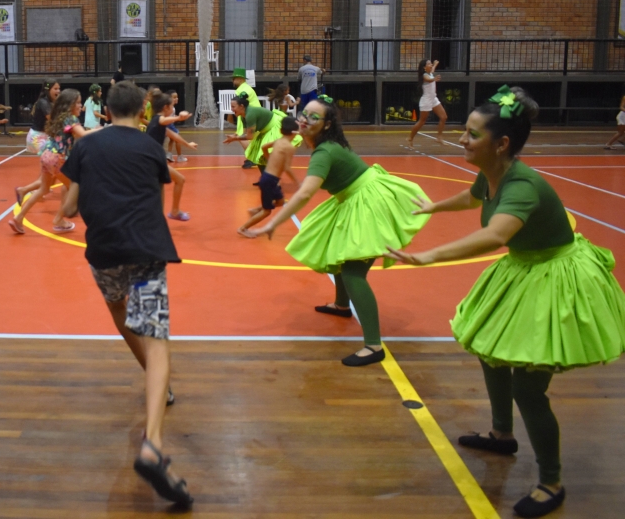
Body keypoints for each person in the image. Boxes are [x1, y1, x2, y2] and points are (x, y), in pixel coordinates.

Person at [386, 86, 625, 519]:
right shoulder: (492, 170)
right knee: (490, 348)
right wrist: (433, 208)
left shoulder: (522, 185)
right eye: (464, 131)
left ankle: (551, 481)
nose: (462, 139)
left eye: (472, 134)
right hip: (524, 266)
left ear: (502, 144)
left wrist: (428, 255)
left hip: (557, 276)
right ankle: (501, 434)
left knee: (528, 388)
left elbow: (495, 235)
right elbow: (474, 196)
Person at [59, 82, 193, 507]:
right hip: (145, 251)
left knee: (116, 307)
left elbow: (68, 208)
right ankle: (152, 443)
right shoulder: (151, 147)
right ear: (142, 110)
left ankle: (158, 385)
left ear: (108, 109)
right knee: (157, 339)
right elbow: (156, 201)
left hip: (104, 252)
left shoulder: (85, 147)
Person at [244, 95, 430, 366]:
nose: (304, 120)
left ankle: (374, 346)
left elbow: (305, 193)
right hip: (353, 197)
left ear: (327, 124)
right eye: (304, 114)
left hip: (368, 202)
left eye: (314, 117)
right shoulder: (325, 146)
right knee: (341, 253)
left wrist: (272, 223)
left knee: (354, 273)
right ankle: (342, 305)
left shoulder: (324, 152)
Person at [10, 89, 99, 235]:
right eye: (77, 102)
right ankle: (59, 220)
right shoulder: (71, 119)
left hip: (47, 156)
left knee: (44, 189)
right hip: (58, 158)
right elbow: (82, 134)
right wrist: (101, 130)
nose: (80, 105)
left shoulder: (59, 117)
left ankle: (18, 218)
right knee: (75, 188)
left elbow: (74, 137)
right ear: (69, 104)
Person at [238, 116, 301, 237]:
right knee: (267, 211)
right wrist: (297, 182)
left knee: (280, 201)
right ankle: (242, 228)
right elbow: (287, 168)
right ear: (294, 133)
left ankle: (255, 210)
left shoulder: (279, 141)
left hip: (269, 178)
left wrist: (269, 158)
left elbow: (264, 147)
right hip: (270, 180)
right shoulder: (289, 147)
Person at [146, 93, 197, 221]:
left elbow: (174, 135)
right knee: (157, 191)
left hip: (156, 161)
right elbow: (163, 120)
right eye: (172, 106)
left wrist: (188, 145)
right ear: (165, 107)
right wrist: (179, 118)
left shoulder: (160, 124)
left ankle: (174, 211)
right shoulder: (158, 119)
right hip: (151, 162)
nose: (173, 108)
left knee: (179, 180)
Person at [223, 93, 287, 172]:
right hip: (265, 131)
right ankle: (265, 176)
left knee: (265, 153)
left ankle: (272, 176)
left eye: (233, 107)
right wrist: (235, 136)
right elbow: (245, 134)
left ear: (241, 106)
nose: (231, 109)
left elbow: (250, 137)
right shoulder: (243, 116)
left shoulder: (250, 115)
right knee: (258, 155)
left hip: (275, 128)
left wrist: (235, 138)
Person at [408, 59, 447, 147]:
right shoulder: (424, 76)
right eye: (429, 64)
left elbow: (432, 71)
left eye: (431, 63)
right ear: (424, 67)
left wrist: (435, 64)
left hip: (433, 99)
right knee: (422, 121)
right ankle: (410, 138)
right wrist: (434, 79)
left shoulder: (430, 73)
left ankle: (439, 137)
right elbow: (429, 79)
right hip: (426, 100)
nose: (431, 65)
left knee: (443, 117)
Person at [230, 69, 260, 168]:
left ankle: (252, 158)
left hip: (248, 115)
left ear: (240, 79)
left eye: (234, 79)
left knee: (242, 136)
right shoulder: (246, 88)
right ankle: (253, 157)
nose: (233, 81)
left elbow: (240, 103)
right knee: (247, 137)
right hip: (250, 115)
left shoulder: (243, 90)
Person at [164, 90, 186, 162]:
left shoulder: (171, 107)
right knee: (178, 139)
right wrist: (178, 118)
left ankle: (169, 154)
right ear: (169, 98)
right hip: (168, 125)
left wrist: (178, 117)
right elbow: (168, 118)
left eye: (177, 97)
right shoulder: (170, 108)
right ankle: (179, 157)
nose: (176, 98)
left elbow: (171, 117)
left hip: (168, 124)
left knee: (172, 139)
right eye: (174, 97)